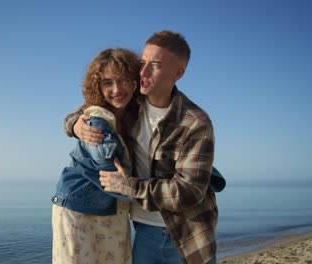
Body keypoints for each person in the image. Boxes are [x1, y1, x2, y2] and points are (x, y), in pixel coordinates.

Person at [65, 31, 224, 264]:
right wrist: (74, 125)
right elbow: (88, 108)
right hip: (143, 231)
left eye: (155, 65)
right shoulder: (130, 102)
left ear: (178, 73)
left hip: (188, 237)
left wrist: (127, 186)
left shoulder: (195, 122)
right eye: (143, 63)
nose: (143, 72)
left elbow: (188, 192)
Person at [51, 48, 141, 264]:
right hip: (80, 204)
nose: (117, 89)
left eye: (123, 80)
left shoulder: (137, 112)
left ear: (135, 81)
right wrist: (75, 125)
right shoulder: (96, 117)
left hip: (113, 206)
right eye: (108, 82)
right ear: (98, 87)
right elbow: (108, 166)